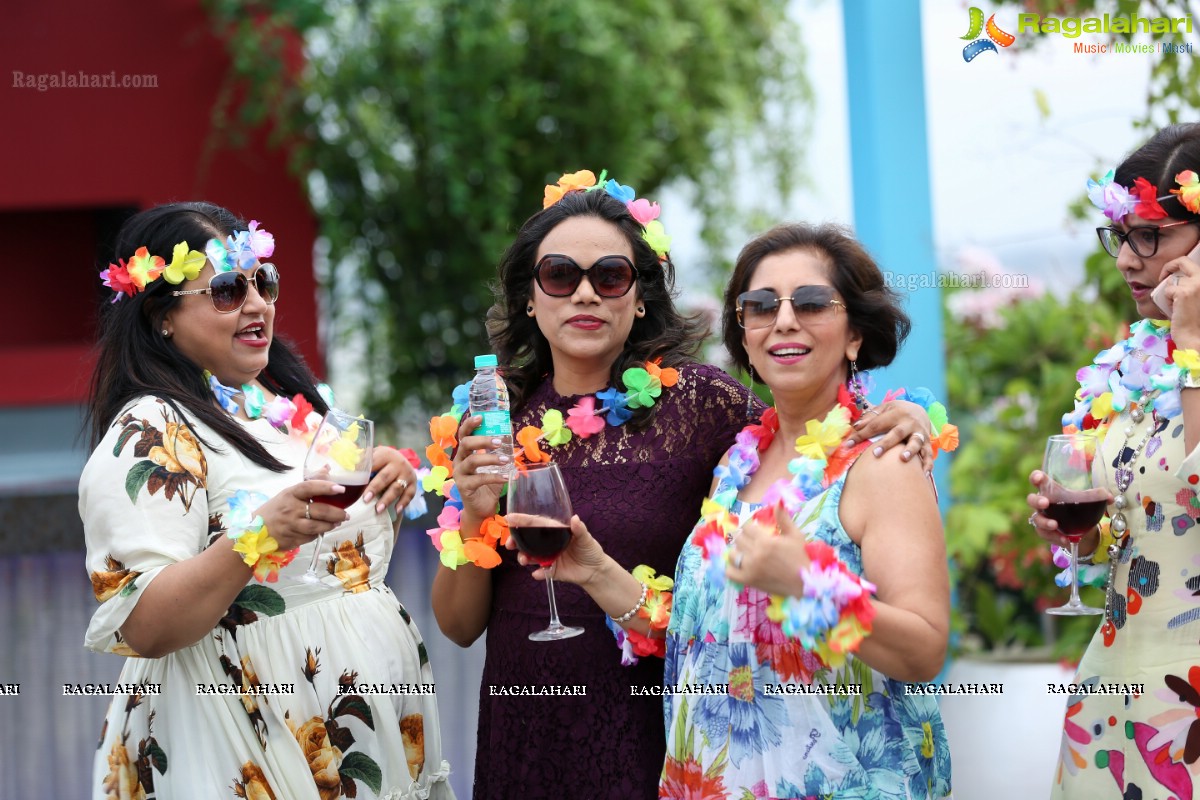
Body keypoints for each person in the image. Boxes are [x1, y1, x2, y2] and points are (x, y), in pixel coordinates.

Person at [429, 171, 937, 799]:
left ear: (638, 296)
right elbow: (458, 624)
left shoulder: (703, 407)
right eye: (560, 275)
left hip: (656, 737)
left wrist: (908, 417)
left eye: (610, 276)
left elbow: (820, 442)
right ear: (531, 298)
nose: (585, 294)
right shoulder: (492, 419)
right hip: (534, 731)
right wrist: (477, 513)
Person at [80, 203, 454, 799]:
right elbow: (144, 622)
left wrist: (383, 476)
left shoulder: (281, 403)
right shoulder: (150, 431)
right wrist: (257, 538)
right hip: (241, 729)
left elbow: (328, 551)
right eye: (228, 289)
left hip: (357, 721)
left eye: (264, 281)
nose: (257, 304)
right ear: (162, 316)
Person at [1029, 123, 1200, 798]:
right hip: (1116, 684)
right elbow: (1141, 525)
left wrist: (1193, 342)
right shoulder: (1129, 367)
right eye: (1121, 235)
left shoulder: (1182, 353)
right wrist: (1083, 531)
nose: (1129, 259)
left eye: (1150, 235)